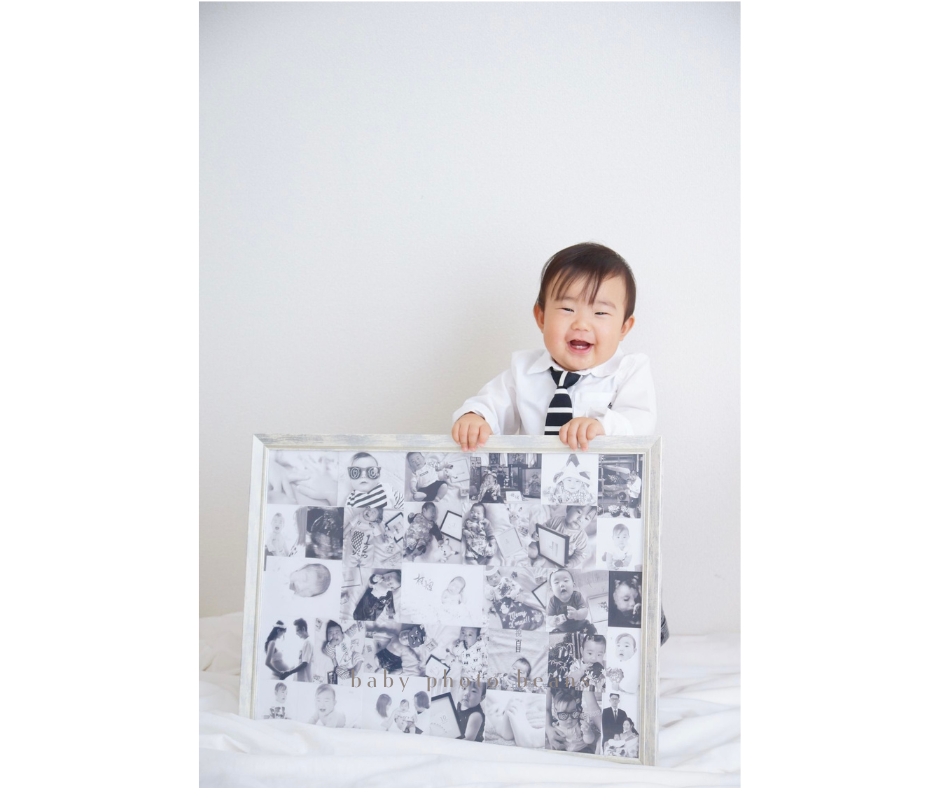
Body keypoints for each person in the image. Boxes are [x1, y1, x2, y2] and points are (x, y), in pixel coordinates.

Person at [447, 242, 667, 644]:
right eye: (567, 309)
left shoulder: (628, 372)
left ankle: (640, 642)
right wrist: (476, 417)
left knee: (622, 570)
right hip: (542, 510)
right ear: (540, 315)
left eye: (601, 313)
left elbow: (640, 422)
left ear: (624, 327)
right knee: (544, 572)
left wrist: (602, 426)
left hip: (602, 509)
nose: (582, 324)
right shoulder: (522, 373)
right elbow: (493, 403)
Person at [546, 568, 594, 634]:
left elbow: (585, 611)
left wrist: (577, 614)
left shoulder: (577, 596)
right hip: (562, 631)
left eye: (565, 581)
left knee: (592, 630)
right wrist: (552, 621)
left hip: (582, 627)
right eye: (556, 582)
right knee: (553, 636)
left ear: (573, 585)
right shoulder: (553, 601)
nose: (562, 584)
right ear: (552, 590)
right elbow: (548, 617)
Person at [321, 620, 361, 684]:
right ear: (327, 637)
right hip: (342, 665)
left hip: (352, 657)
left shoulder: (345, 637)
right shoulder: (331, 647)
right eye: (330, 633)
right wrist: (332, 643)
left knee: (358, 656)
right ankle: (350, 675)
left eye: (337, 632)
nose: (334, 635)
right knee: (338, 671)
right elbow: (327, 652)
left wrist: (355, 626)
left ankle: (356, 669)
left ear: (342, 634)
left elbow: (350, 631)